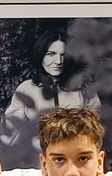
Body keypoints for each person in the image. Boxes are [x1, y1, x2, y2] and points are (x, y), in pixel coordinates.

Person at [7, 26, 100, 157]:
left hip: (75, 159)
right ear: (41, 55)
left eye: (63, 55)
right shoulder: (26, 89)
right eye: (51, 54)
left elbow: (97, 129)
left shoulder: (83, 88)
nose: (58, 61)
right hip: (37, 160)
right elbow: (10, 131)